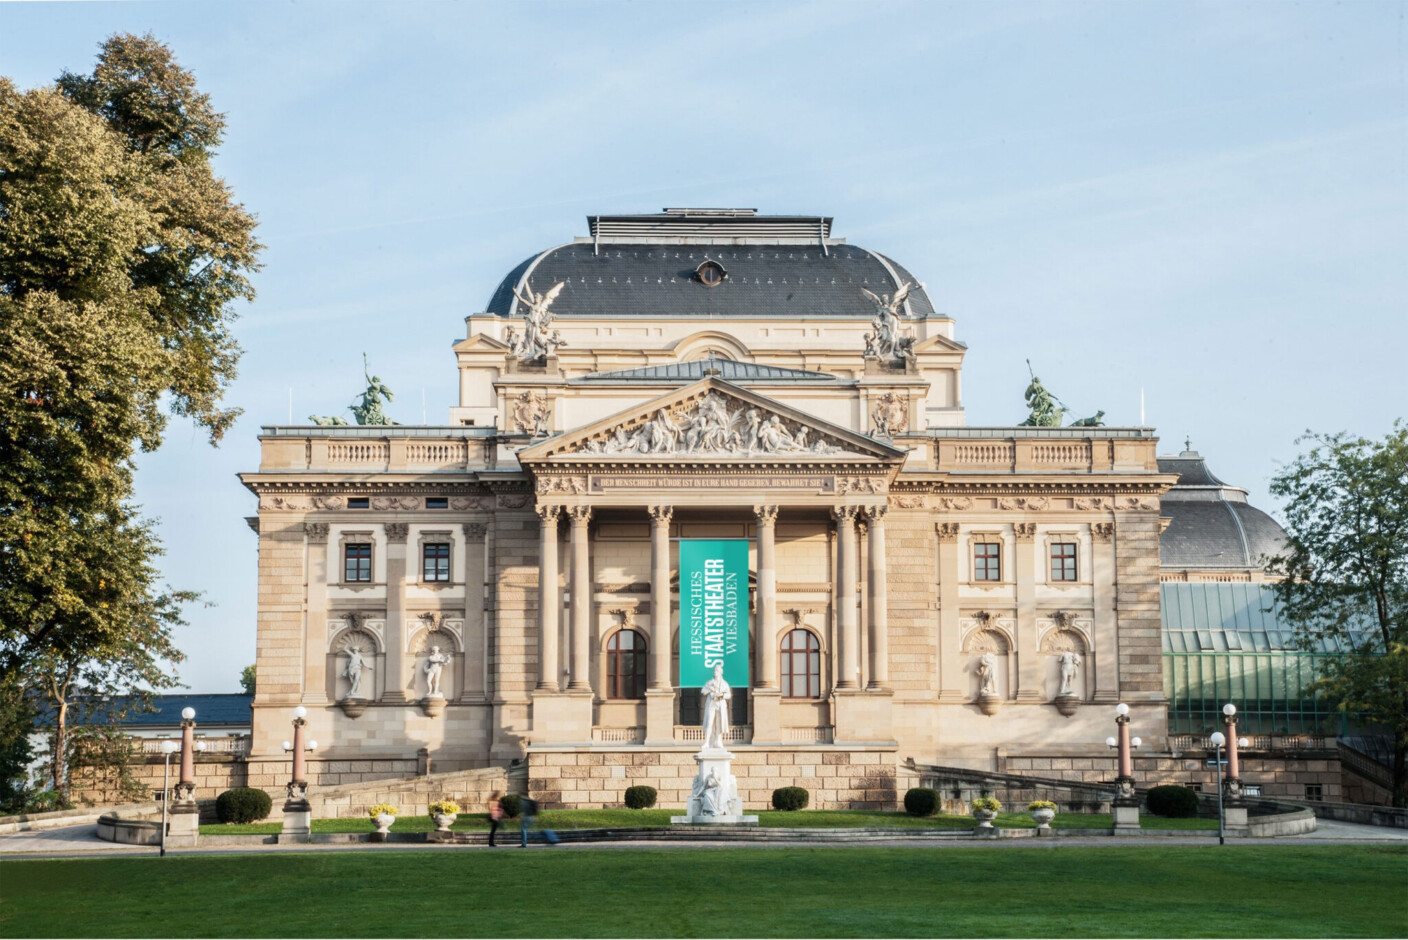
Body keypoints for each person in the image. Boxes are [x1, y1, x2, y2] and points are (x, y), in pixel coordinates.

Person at [700, 663, 731, 751]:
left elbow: (729, 695)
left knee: (719, 724)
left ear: (720, 672)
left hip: (720, 705)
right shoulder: (710, 683)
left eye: (717, 671)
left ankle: (718, 742)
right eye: (714, 671)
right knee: (709, 723)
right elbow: (703, 691)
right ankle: (706, 742)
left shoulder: (724, 684)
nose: (715, 672)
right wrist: (710, 689)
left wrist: (722, 695)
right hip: (712, 704)